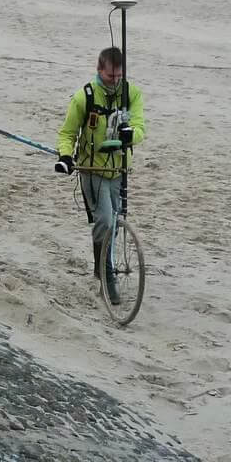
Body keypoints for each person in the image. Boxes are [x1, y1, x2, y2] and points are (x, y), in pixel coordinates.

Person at [55, 46, 145, 304]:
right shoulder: (83, 97)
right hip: (92, 170)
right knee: (105, 220)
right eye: (109, 77)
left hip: (118, 169)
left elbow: (140, 126)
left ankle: (99, 264)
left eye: (118, 77)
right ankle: (107, 275)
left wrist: (131, 135)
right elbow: (67, 133)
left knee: (114, 224)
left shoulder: (132, 94)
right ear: (98, 70)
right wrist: (64, 157)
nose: (114, 82)